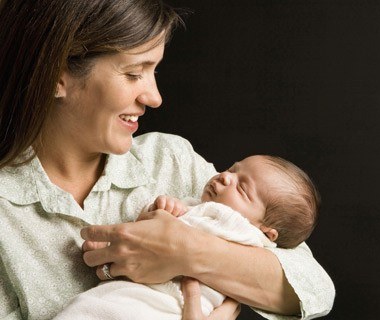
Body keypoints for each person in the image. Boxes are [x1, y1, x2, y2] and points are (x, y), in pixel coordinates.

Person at [0, 1, 335, 320]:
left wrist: (187, 250)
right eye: (134, 73)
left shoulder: (170, 161)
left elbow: (313, 288)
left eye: (155, 70)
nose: (155, 97)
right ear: (57, 75)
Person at [54, 155, 320, 319]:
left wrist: (168, 219)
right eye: (232, 169)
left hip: (165, 306)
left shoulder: (242, 230)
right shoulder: (202, 206)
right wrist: (162, 210)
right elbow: (160, 235)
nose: (225, 177)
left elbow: (315, 289)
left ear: (266, 230)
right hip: (137, 295)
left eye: (242, 188)